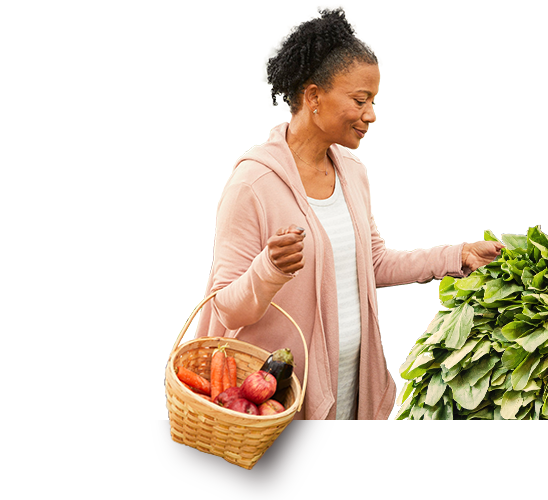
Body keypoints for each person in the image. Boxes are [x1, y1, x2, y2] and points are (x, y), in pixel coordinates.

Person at [195, 4, 503, 420]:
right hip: (275, 399)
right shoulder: (252, 185)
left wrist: (456, 256)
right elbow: (225, 307)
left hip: (349, 383)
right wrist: (269, 268)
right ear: (314, 97)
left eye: (373, 101)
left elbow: (372, 263)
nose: (371, 115)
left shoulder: (352, 171)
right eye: (360, 100)